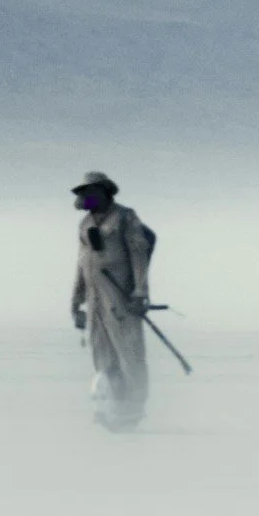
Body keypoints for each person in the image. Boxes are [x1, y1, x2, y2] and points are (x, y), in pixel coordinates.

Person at [69, 171, 156, 431]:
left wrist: (140, 292)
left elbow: (138, 256)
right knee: (103, 356)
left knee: (130, 356)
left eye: (90, 191)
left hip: (120, 300)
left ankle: (133, 411)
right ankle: (112, 408)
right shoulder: (85, 224)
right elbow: (82, 264)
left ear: (105, 191)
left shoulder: (125, 218)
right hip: (94, 303)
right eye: (83, 193)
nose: (85, 197)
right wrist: (76, 301)